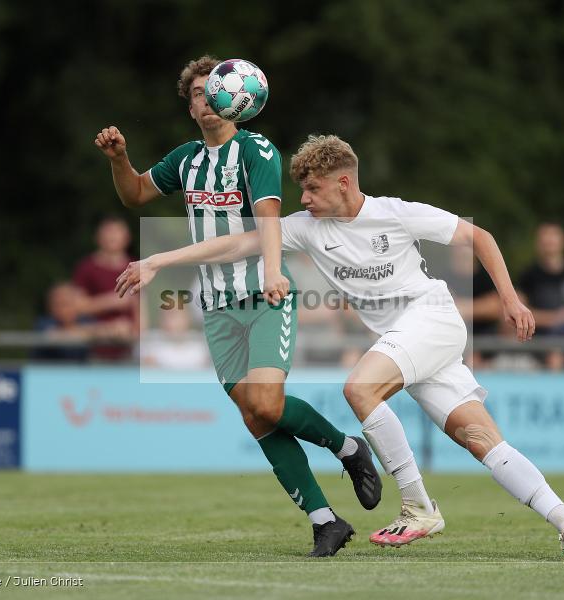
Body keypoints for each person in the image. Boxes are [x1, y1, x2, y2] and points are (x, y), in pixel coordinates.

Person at [117, 134, 564, 561]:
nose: (302, 197)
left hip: (430, 321)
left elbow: (480, 237)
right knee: (479, 440)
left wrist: (511, 300)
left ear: (344, 183)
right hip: (407, 340)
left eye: (312, 188)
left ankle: (418, 507)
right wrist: (160, 258)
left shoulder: (396, 213)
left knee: (360, 388)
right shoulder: (307, 227)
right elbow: (236, 245)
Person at [95, 56, 380, 557]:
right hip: (218, 306)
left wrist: (273, 271)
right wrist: (120, 159)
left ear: (238, 99)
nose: (209, 100)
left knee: (266, 403)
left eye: (216, 91)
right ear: (191, 106)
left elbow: (269, 218)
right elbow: (136, 194)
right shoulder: (185, 159)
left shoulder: (256, 149)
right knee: (255, 417)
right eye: (199, 94)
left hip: (264, 295)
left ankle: (346, 446)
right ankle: (325, 521)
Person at [72, 216, 139, 360]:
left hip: (129, 348)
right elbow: (76, 307)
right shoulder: (87, 267)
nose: (112, 237)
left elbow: (141, 309)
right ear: (98, 238)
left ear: (127, 238)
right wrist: (112, 301)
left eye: (116, 233)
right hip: (94, 347)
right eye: (108, 232)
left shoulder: (136, 267)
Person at [517, 223, 564, 334]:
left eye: (553, 236)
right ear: (537, 244)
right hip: (537, 340)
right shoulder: (528, 276)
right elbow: (518, 312)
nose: (549, 241)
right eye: (545, 237)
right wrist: (555, 318)